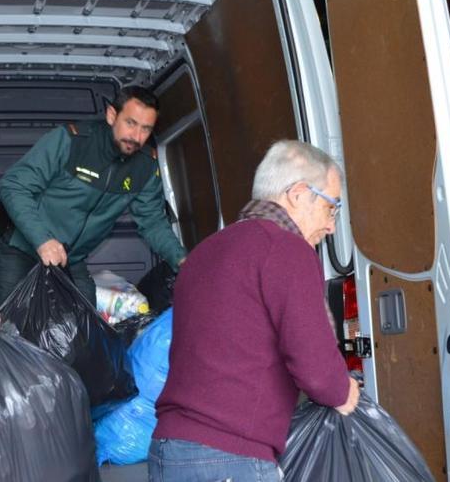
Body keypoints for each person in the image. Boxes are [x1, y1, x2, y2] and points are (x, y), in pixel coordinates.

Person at [149, 140, 360, 481]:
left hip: (169, 451)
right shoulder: (287, 250)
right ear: (299, 194)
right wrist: (341, 390)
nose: (331, 225)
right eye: (331, 208)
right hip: (229, 457)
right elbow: (315, 364)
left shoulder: (205, 251)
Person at [0, 85, 186, 306]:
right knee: (4, 321)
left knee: (87, 324)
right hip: (20, 247)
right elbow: (14, 185)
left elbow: (153, 222)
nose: (136, 136)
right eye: (130, 123)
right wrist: (42, 239)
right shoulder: (71, 141)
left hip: (70, 258)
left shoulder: (145, 167)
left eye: (146, 129)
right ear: (112, 115)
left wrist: (182, 260)